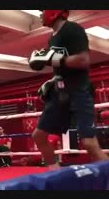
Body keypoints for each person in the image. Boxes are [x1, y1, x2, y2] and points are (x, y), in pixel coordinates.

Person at [28, 10, 109, 170]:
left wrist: (54, 60)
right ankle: (55, 175)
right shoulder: (53, 38)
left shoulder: (73, 29)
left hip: (80, 91)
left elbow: (83, 60)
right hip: (61, 93)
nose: (40, 15)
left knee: (89, 143)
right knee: (39, 136)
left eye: (43, 10)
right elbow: (60, 67)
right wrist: (52, 80)